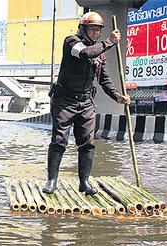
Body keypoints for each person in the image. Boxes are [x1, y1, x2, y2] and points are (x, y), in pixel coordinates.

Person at [43, 12, 130, 195]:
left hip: (86, 102)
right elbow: (85, 53)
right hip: (64, 101)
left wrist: (118, 97)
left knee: (87, 143)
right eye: (93, 29)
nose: (96, 33)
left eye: (99, 30)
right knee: (59, 141)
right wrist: (110, 42)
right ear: (83, 29)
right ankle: (51, 181)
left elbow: (104, 80)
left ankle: (84, 182)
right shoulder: (71, 42)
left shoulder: (100, 54)